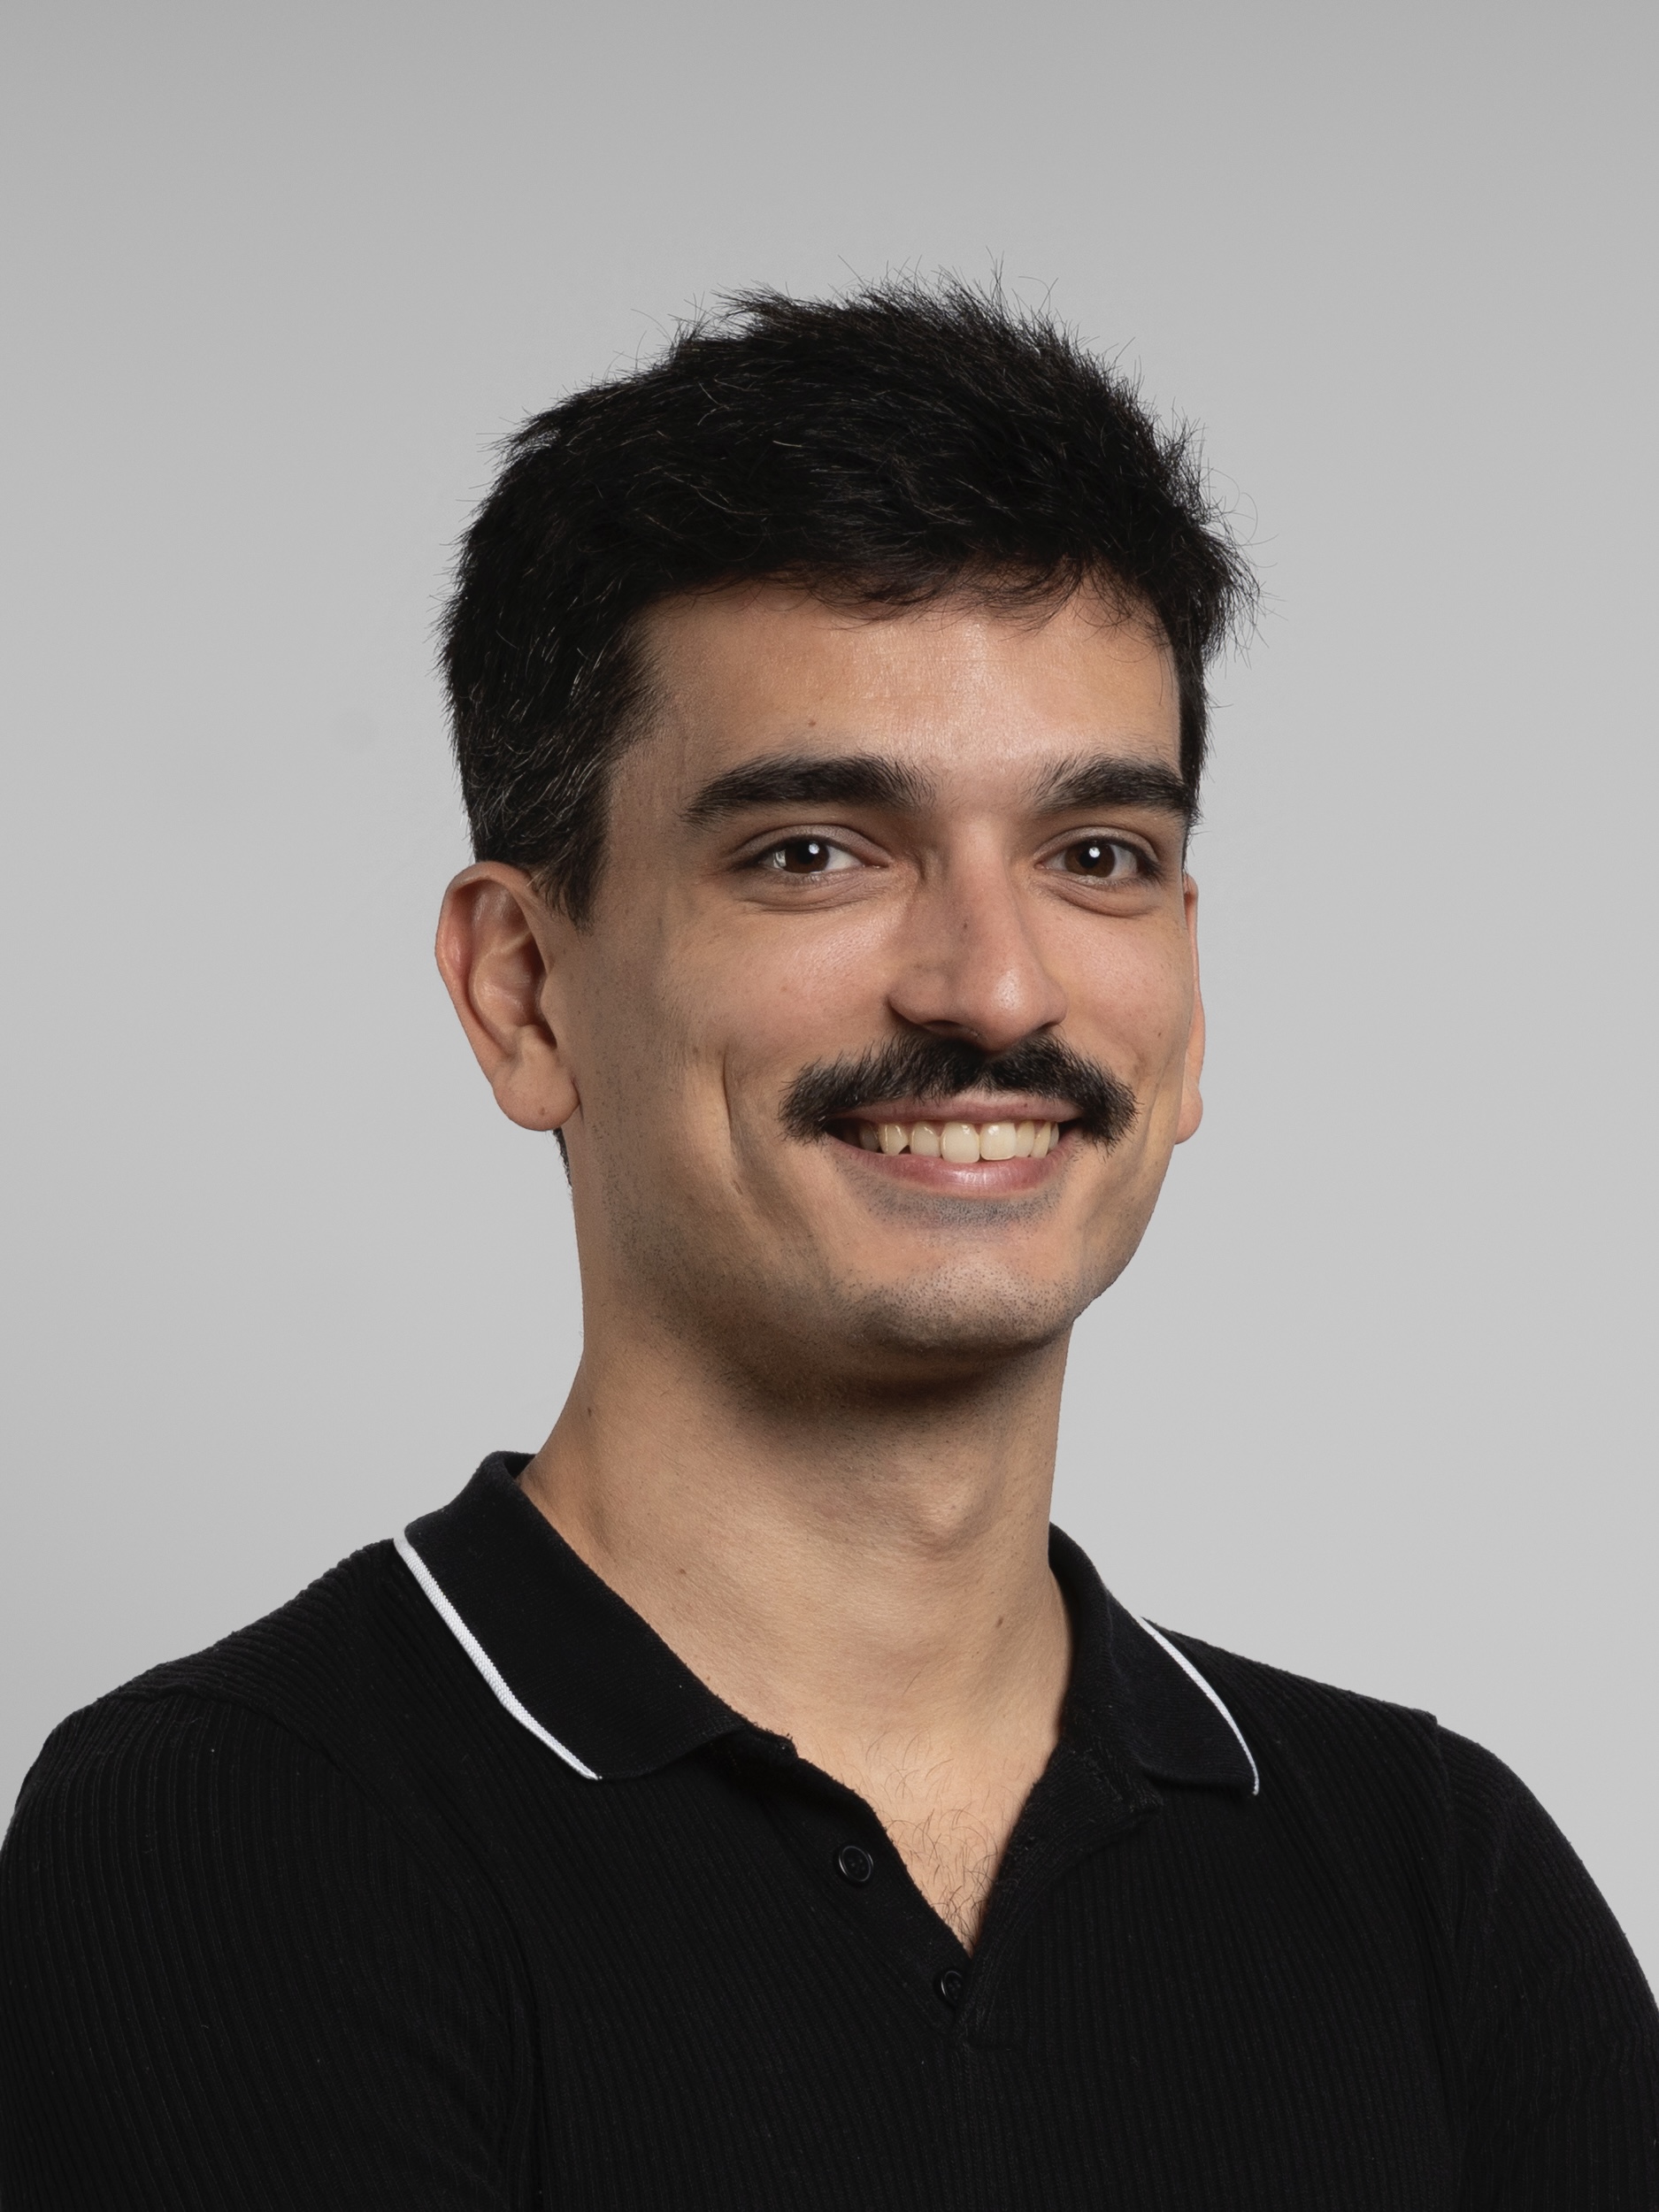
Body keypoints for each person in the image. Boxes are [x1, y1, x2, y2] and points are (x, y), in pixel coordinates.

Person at [1, 281, 1655, 2212]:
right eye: (814, 850)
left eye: (1096, 855)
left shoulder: (1431, 1874)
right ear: (523, 991)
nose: (997, 985)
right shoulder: (236, 1835)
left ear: (1190, 1004)